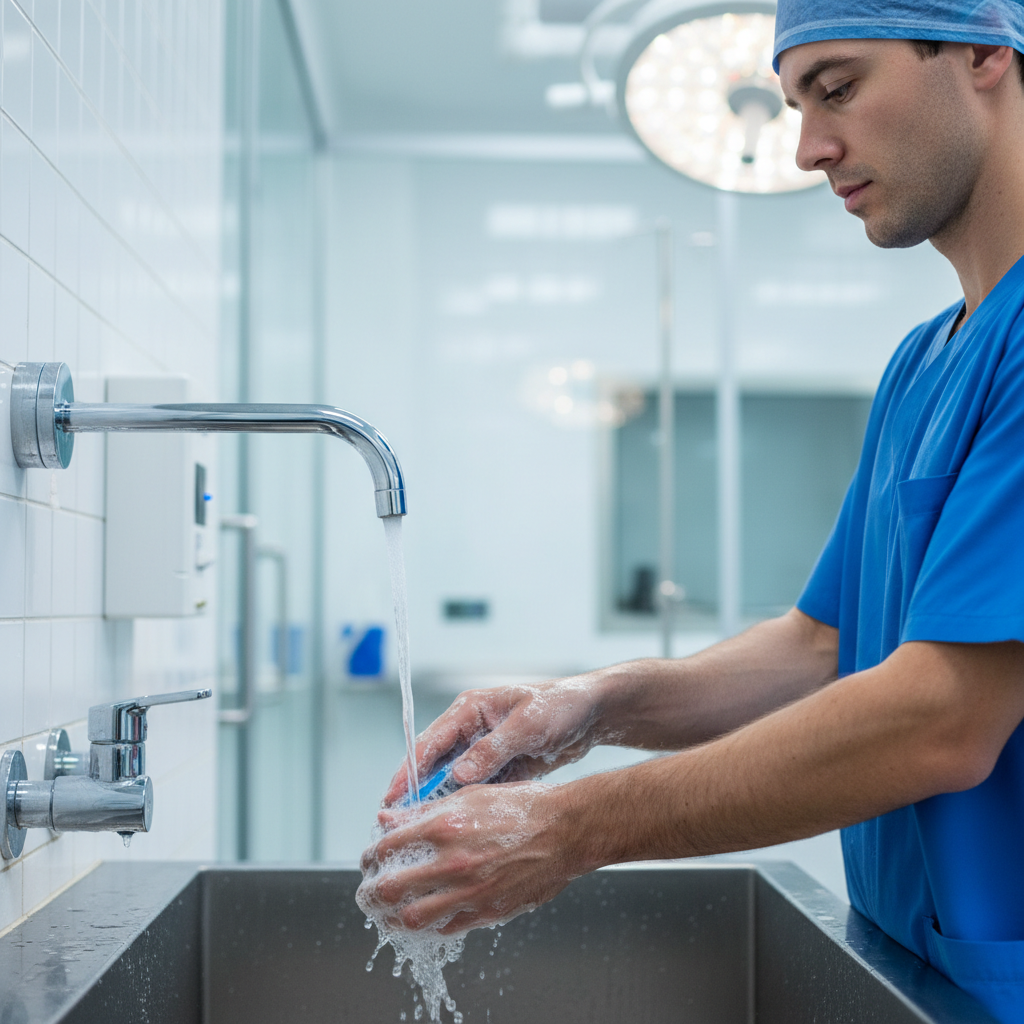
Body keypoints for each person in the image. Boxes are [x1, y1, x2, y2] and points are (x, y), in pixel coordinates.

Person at [360, 1, 1024, 1018]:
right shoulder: (922, 363)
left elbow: (945, 715)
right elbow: (819, 642)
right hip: (916, 968)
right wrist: (595, 703)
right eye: (794, 102)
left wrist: (568, 828)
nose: (809, 147)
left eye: (838, 88)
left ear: (985, 52)